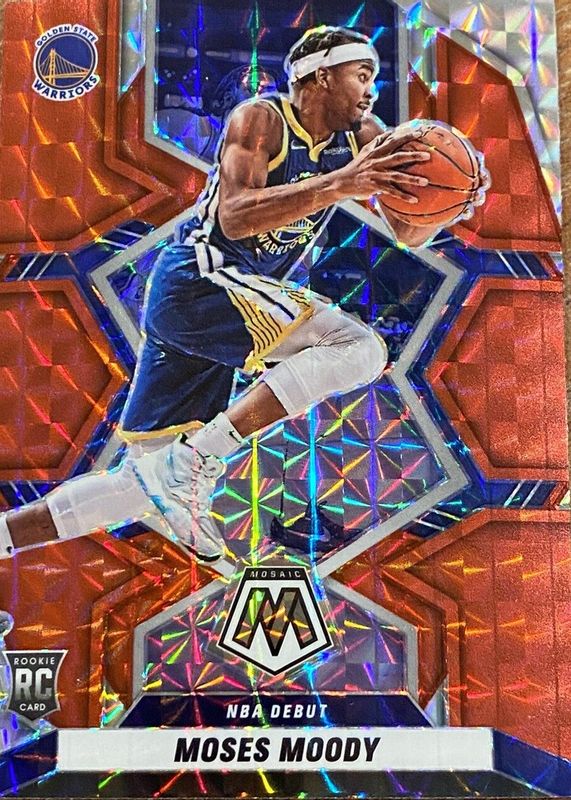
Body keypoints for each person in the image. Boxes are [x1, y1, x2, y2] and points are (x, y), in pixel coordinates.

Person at [0, 26, 486, 563]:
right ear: (322, 76)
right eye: (362, 75)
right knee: (361, 348)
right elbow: (234, 218)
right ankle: (199, 459)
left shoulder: (362, 135)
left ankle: (5, 536)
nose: (373, 90)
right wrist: (339, 184)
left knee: (138, 484)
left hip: (218, 305)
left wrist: (455, 199)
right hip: (198, 280)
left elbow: (408, 231)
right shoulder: (261, 119)